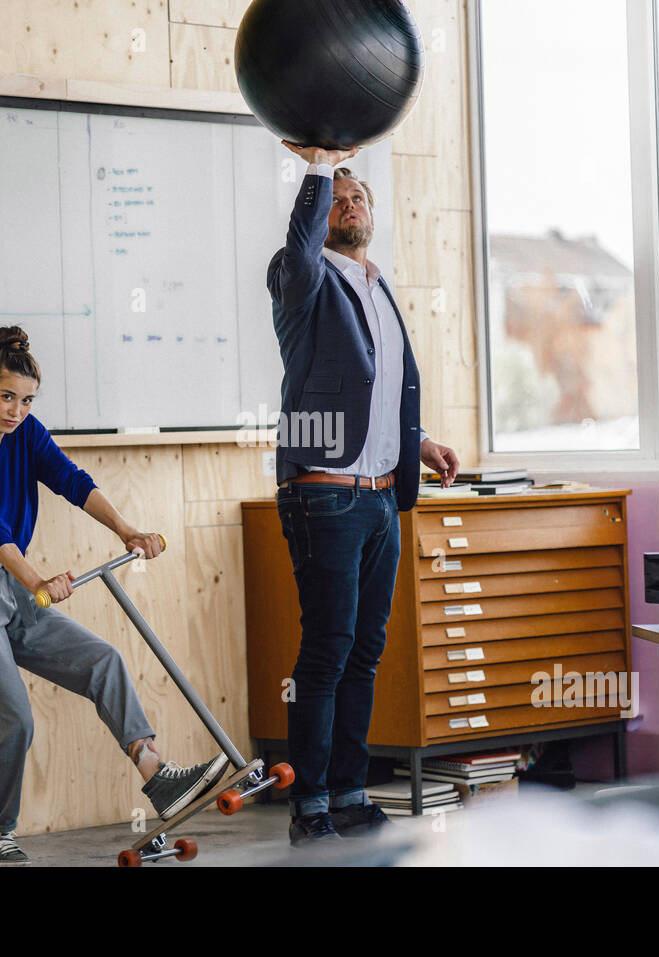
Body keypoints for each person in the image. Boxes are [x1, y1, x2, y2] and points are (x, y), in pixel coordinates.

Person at [0, 325, 228, 866]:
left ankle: (156, 775)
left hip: (11, 585)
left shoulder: (28, 435)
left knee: (102, 660)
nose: (16, 411)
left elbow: (72, 480)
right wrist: (37, 581)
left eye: (27, 399)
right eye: (6, 397)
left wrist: (127, 530)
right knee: (12, 717)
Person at [268, 142, 460, 846]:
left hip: (382, 496)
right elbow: (298, 247)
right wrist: (319, 167)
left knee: (364, 651)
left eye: (359, 197)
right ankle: (309, 806)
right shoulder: (303, 280)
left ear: (373, 216)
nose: (350, 205)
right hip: (324, 495)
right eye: (338, 198)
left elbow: (376, 394)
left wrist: (421, 444)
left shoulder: (379, 287)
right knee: (327, 648)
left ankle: (350, 793)